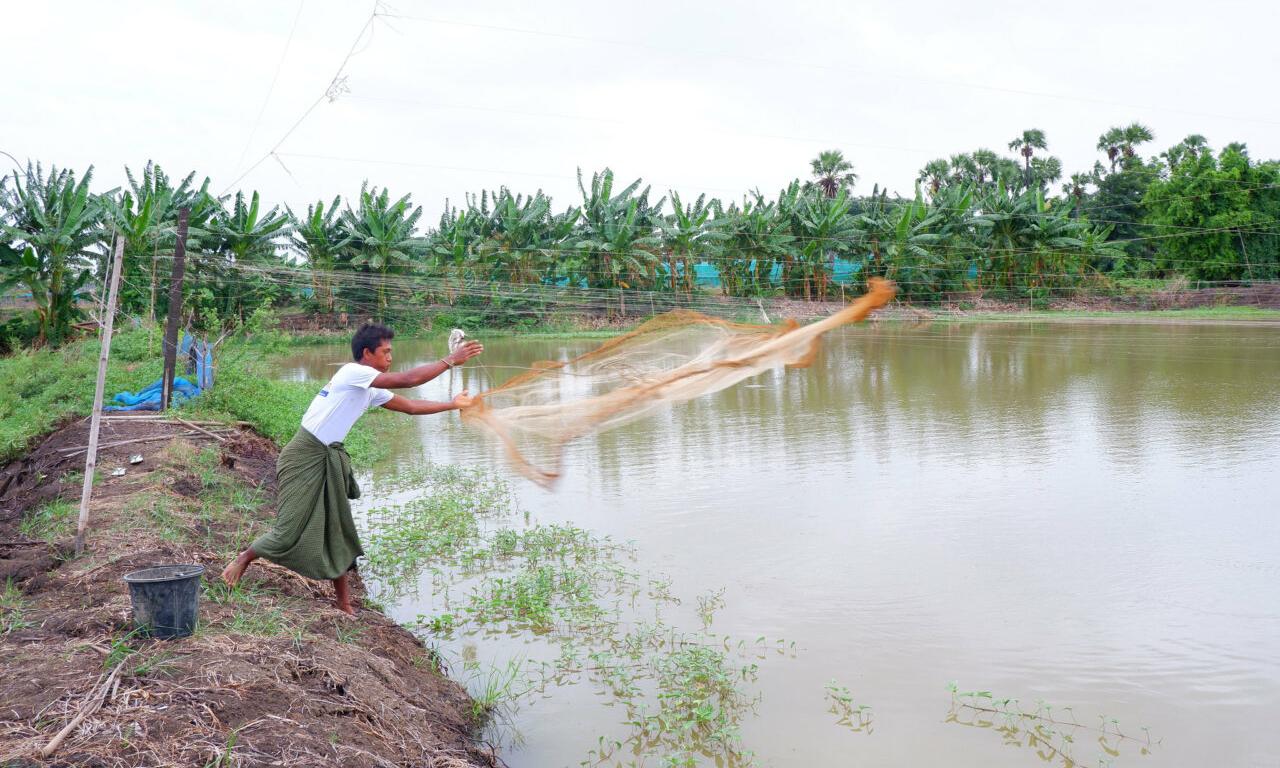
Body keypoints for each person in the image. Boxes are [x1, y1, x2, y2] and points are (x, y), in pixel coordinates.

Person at [220, 323, 483, 615]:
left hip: (326, 457)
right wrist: (450, 361)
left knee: (337, 530)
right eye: (386, 352)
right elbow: (408, 380)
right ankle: (244, 558)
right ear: (367, 353)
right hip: (304, 457)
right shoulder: (352, 373)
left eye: (391, 352)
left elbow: (409, 406)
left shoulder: (369, 387)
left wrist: (451, 404)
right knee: (287, 531)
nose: (390, 358)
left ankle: (344, 603)